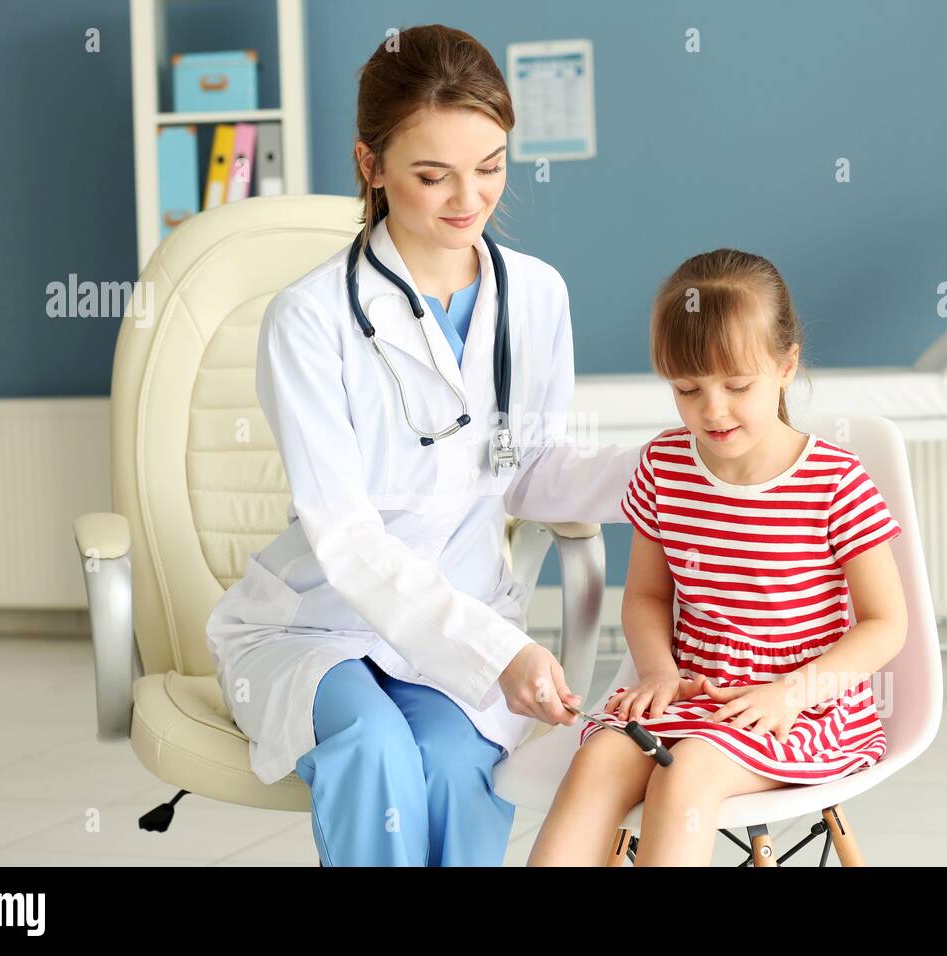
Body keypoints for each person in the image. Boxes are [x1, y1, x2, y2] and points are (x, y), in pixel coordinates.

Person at [204, 24, 648, 867]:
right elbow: (345, 538)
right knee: (375, 753)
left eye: (491, 168)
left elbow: (529, 470)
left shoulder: (537, 295)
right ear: (370, 165)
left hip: (463, 607)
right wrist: (498, 651)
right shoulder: (310, 319)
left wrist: (669, 467)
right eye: (432, 175)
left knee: (455, 767)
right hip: (317, 625)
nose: (468, 201)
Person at [528, 249, 909, 866]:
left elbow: (886, 624)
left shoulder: (835, 482)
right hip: (690, 695)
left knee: (687, 774)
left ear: (786, 368)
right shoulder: (665, 466)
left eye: (737, 386)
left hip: (802, 706)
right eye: (687, 388)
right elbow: (648, 598)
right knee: (598, 761)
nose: (712, 409)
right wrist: (656, 672)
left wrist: (790, 694)